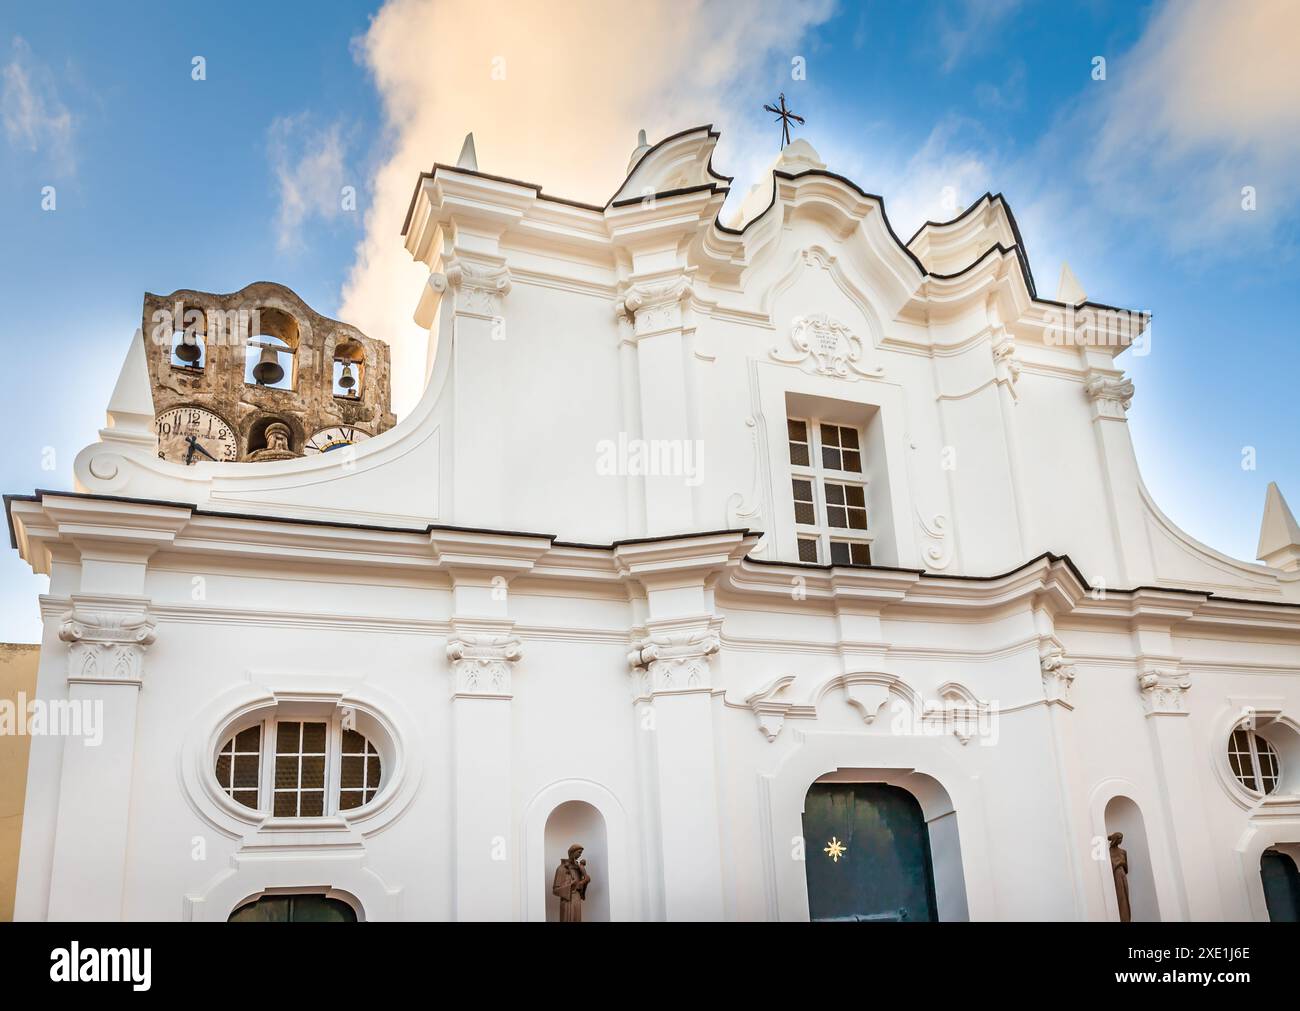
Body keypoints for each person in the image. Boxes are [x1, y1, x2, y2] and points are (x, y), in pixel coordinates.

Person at [552, 844, 591, 922]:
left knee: (577, 918)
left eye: (581, 853)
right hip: (567, 900)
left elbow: (580, 886)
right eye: (579, 852)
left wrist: (585, 882)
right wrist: (570, 886)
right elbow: (555, 890)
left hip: (576, 898)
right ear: (572, 852)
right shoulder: (561, 868)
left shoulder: (578, 868)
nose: (580, 855)